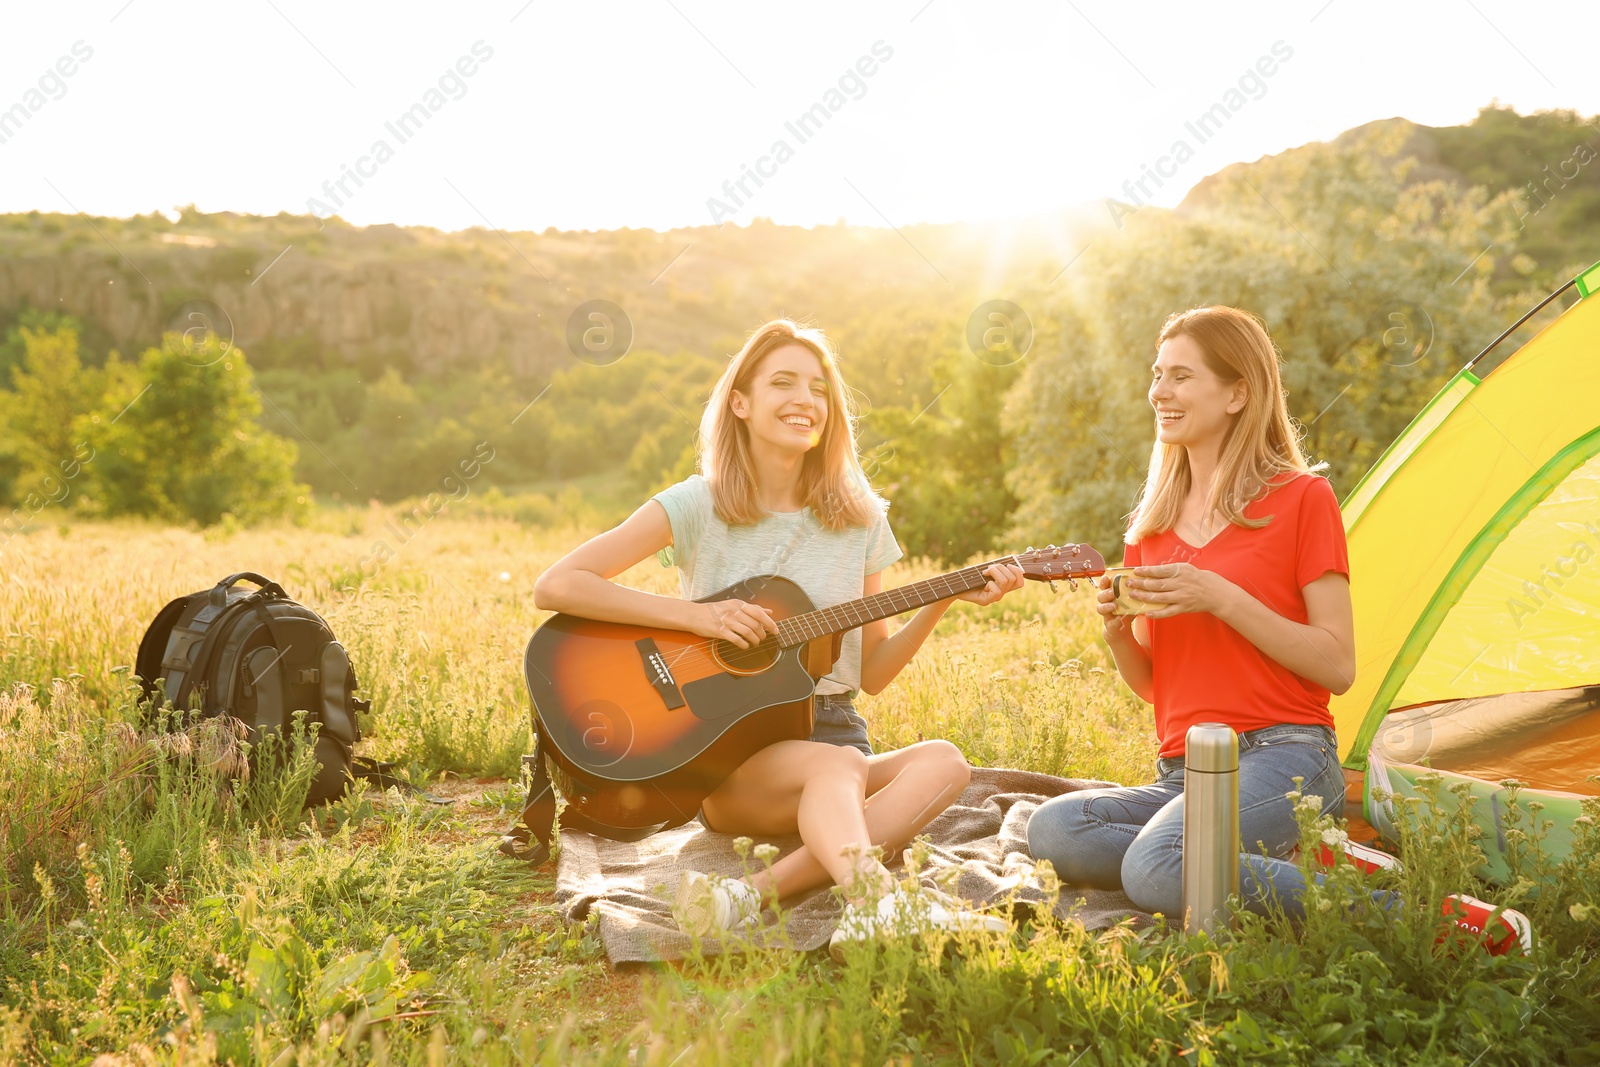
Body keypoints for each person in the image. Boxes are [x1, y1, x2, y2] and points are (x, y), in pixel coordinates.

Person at [1025, 306, 1532, 952]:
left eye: (1181, 376)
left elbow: (1337, 664)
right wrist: (1119, 634)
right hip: (1183, 769)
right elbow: (1158, 688)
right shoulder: (1149, 529)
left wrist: (1219, 594)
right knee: (1054, 830)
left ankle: (1425, 916)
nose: (1160, 391)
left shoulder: (1301, 500)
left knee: (1156, 866)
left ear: (1238, 392)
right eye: (1157, 375)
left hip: (1285, 754)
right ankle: (1299, 861)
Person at [533, 319, 1023, 954]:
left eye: (818, 388)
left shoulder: (860, 516)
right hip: (730, 753)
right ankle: (875, 903)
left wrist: (943, 601)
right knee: (841, 764)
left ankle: (750, 894)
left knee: (945, 763)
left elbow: (871, 672)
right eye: (783, 382)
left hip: (835, 728)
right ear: (740, 403)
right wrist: (699, 618)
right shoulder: (695, 506)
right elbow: (558, 584)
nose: (805, 400)